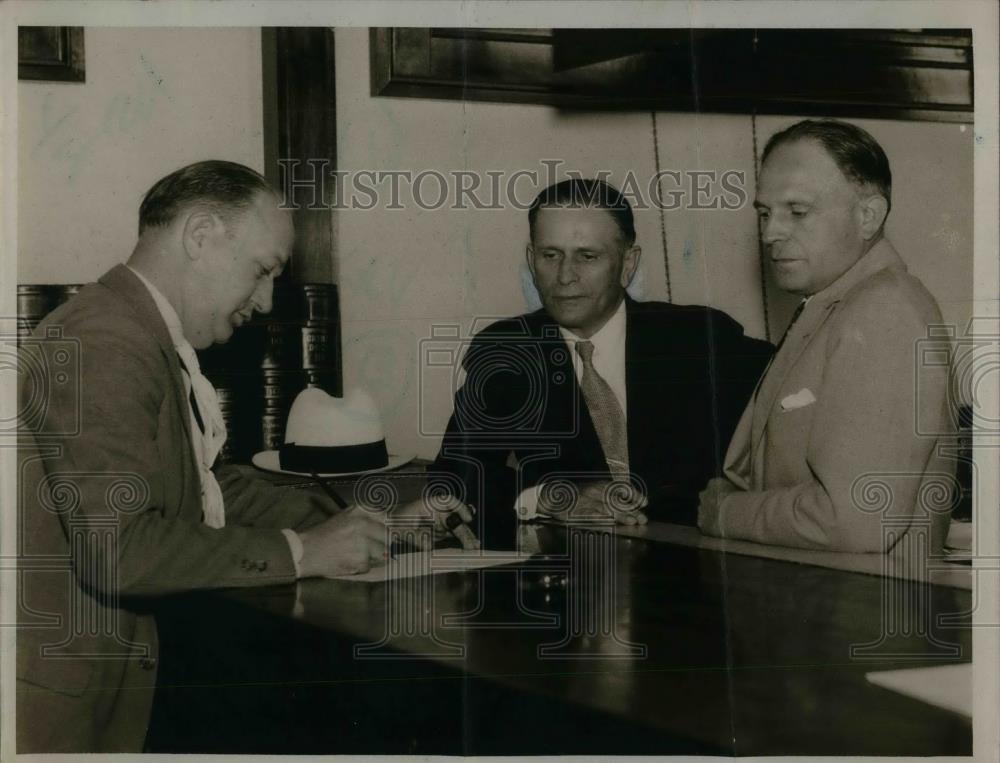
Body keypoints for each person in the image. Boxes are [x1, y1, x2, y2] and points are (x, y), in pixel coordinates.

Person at [16, 161, 475, 753]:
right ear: (200, 235)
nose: (264, 301)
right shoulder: (108, 341)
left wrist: (370, 521)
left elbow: (205, 490)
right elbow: (117, 550)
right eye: (263, 272)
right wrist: (305, 550)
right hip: (61, 712)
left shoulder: (134, 331)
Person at [430, 178, 773, 546]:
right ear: (532, 261)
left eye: (587, 256)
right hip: (574, 578)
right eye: (550, 255)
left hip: (700, 567)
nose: (564, 276)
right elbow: (455, 479)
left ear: (628, 264)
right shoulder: (508, 351)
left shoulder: (700, 338)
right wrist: (549, 497)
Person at [697, 119, 955, 553]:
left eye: (797, 212)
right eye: (765, 213)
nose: (770, 233)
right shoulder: (837, 305)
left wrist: (725, 513)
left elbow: (855, 520)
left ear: (868, 215)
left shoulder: (884, 311)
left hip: (860, 611)